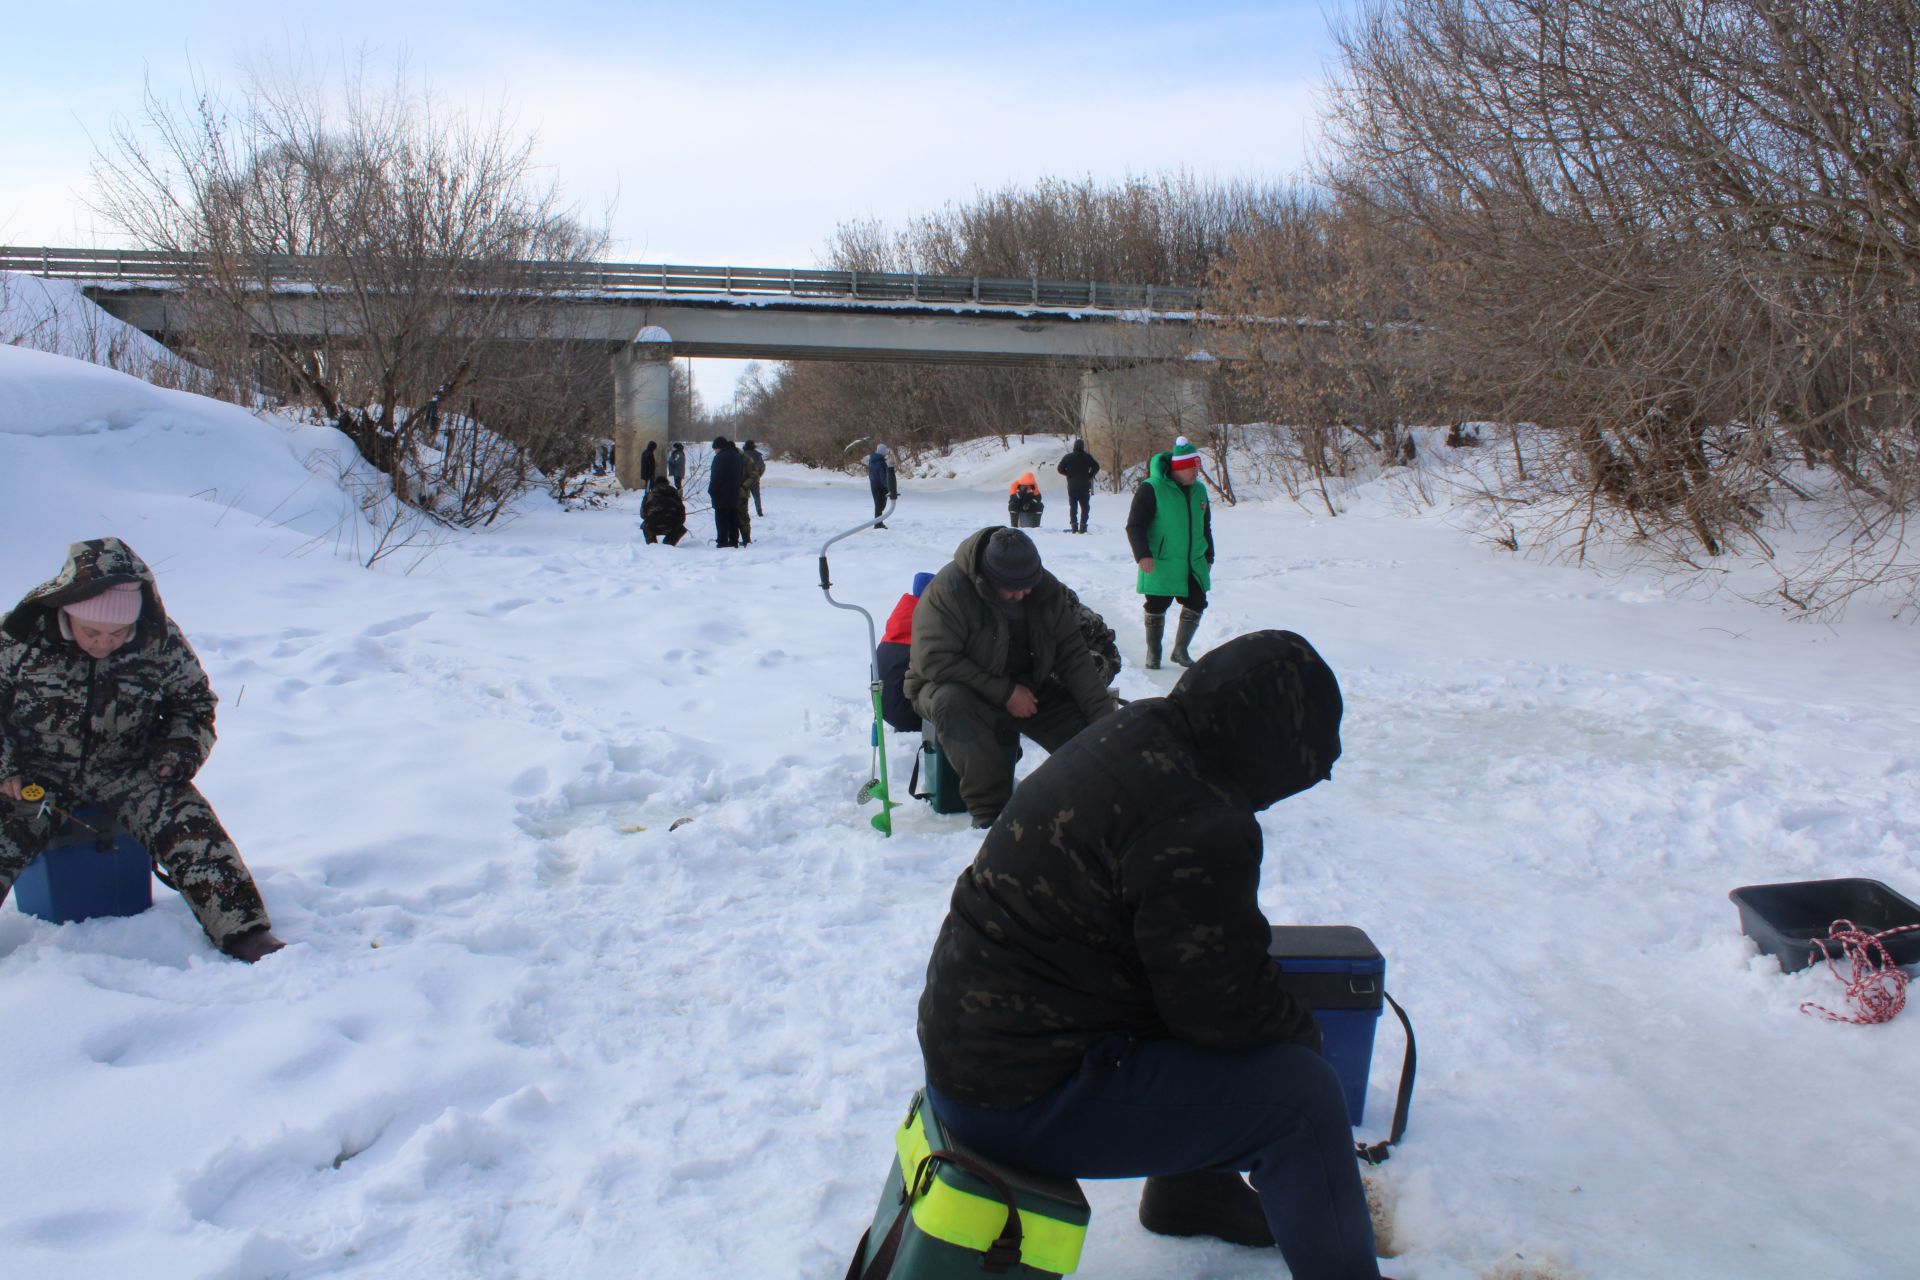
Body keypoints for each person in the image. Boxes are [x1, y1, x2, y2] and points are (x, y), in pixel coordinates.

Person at [916, 630, 1383, 1279]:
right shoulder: (1198, 820)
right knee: (1301, 1098)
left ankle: (1191, 1193)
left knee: (1192, 982)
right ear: (1272, 754)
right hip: (1018, 1096)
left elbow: (1190, 960)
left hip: (979, 1052)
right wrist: (1303, 1041)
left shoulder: (1144, 732)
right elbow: (1222, 1010)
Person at [0, 538, 285, 963]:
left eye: (117, 633)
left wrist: (176, 753)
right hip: (37, 772)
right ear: (67, 611)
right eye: (92, 632)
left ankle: (244, 931)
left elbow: (193, 705)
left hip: (130, 767)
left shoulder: (159, 639)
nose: (103, 643)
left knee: (193, 830)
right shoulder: (19, 639)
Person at [903, 527, 1113, 828]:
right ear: (986, 579)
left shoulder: (1045, 589)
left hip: (1026, 687)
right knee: (952, 702)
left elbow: (1074, 657)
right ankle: (990, 811)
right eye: (1012, 589)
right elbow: (933, 661)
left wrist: (1108, 727)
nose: (1022, 594)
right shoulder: (949, 590)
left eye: (1028, 585)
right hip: (948, 686)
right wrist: (1005, 693)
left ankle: (1097, 796)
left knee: (1086, 730)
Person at [1127, 435, 1213, 670]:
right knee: (1156, 604)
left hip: (1192, 561)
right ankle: (1154, 652)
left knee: (1197, 602)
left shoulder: (1199, 491)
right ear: (1179, 468)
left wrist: (1209, 556)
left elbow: (1205, 526)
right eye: (1192, 468)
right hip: (1160, 561)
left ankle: (1180, 650)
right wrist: (1142, 554)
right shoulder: (1151, 489)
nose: (1197, 473)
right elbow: (1135, 525)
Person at [1056, 437, 1101, 534]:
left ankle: (1074, 526)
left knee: (1073, 506)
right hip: (1084, 485)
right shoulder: (1087, 457)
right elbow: (1096, 467)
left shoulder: (1068, 457)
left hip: (1072, 486)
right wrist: (1089, 475)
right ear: (1082, 447)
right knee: (1085, 507)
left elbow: (1059, 469)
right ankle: (1083, 526)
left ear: (1074, 447)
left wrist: (1068, 474)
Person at [708, 435, 745, 548]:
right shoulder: (737, 456)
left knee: (721, 519)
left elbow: (715, 477)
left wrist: (711, 491)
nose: (714, 451)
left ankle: (722, 541)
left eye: (715, 448)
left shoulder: (719, 458)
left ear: (719, 447)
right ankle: (734, 541)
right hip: (734, 492)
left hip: (721, 494)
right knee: (733, 518)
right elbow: (741, 475)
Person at [639, 476, 687, 546]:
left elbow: (643, 514)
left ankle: (652, 544)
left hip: (652, 525)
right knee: (680, 528)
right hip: (672, 526)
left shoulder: (649, 496)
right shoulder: (675, 496)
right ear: (667, 484)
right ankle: (669, 542)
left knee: (645, 525)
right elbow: (682, 515)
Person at [866, 443, 898, 527]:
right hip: (880, 486)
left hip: (873, 484)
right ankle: (878, 524)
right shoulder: (881, 462)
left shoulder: (872, 459)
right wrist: (889, 487)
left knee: (878, 504)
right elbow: (883, 476)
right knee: (880, 505)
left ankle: (878, 522)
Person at [742, 440, 767, 516]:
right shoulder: (758, 455)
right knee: (757, 496)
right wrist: (758, 475)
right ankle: (759, 511)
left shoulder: (742, 455)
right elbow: (762, 467)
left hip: (744, 480)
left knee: (744, 497)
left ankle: (744, 511)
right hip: (755, 479)